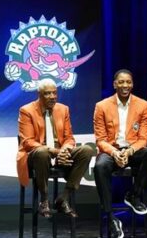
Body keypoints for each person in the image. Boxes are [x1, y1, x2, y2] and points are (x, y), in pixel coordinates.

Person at [93, 69, 147, 238]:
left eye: (128, 82)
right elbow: (100, 139)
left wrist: (129, 151)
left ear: (132, 84)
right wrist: (115, 152)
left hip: (132, 151)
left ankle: (134, 194)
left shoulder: (143, 105)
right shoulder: (102, 106)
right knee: (100, 166)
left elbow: (144, 138)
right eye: (121, 82)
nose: (125, 85)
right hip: (111, 151)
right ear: (115, 84)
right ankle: (111, 219)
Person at [17, 78, 94, 219]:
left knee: (87, 150)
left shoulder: (63, 109)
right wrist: (53, 151)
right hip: (36, 157)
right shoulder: (26, 110)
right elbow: (27, 142)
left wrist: (64, 150)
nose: (52, 97)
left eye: (54, 93)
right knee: (42, 152)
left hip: (60, 154)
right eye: (47, 93)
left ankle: (63, 198)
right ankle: (44, 200)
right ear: (39, 94)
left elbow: (69, 138)